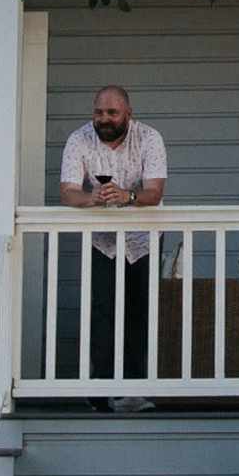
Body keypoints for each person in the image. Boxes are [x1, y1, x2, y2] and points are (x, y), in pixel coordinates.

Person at [57, 83, 168, 406]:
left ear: (128, 114)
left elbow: (155, 192)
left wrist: (128, 196)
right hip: (102, 239)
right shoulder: (79, 139)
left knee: (139, 313)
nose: (104, 119)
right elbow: (67, 191)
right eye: (98, 112)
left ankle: (135, 392)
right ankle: (102, 393)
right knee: (101, 312)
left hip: (143, 239)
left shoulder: (149, 138)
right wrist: (91, 197)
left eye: (112, 112)